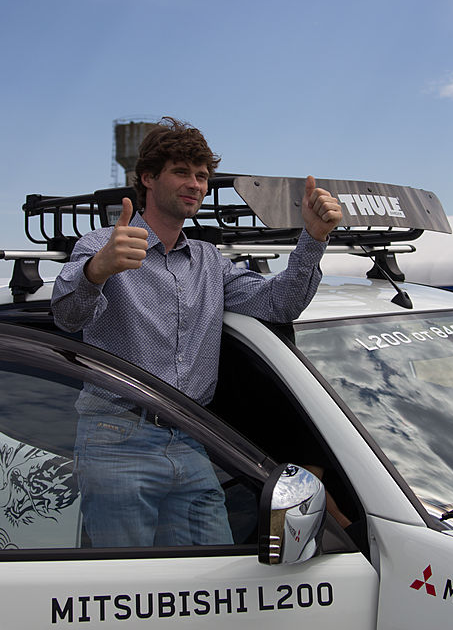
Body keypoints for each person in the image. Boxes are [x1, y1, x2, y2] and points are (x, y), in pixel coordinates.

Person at [51, 117, 343, 548]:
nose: (195, 184)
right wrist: (97, 271)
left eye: (202, 176)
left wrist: (313, 238)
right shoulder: (105, 246)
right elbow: (66, 317)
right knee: (126, 579)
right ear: (148, 178)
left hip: (193, 437)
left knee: (214, 570)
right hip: (117, 436)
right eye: (181, 172)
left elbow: (279, 304)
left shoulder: (209, 261)